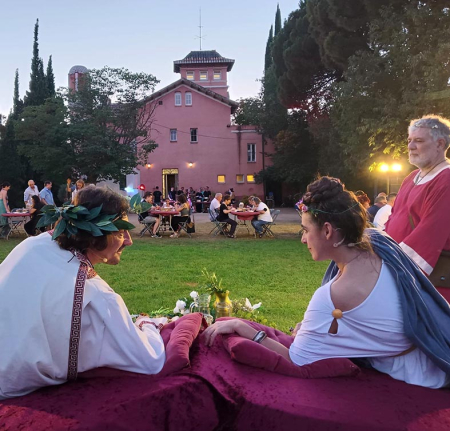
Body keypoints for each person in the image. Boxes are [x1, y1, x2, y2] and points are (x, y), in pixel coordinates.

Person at [203, 176, 450, 389]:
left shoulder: (333, 294)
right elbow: (371, 315)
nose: (302, 239)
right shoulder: (376, 241)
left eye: (305, 230)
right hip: (431, 350)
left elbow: (295, 359)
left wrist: (243, 327)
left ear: (329, 231)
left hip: (422, 374)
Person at [0, 185, 165, 400]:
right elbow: (149, 360)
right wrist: (150, 325)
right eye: (120, 231)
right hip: (15, 391)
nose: (128, 240)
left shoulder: (33, 245)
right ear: (95, 233)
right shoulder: (94, 292)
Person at [385, 115, 450, 277]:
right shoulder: (411, 178)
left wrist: (392, 265)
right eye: (409, 140)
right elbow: (393, 219)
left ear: (440, 144)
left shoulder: (446, 179)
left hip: (429, 283)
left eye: (419, 141)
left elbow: (430, 234)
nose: (411, 146)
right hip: (401, 268)